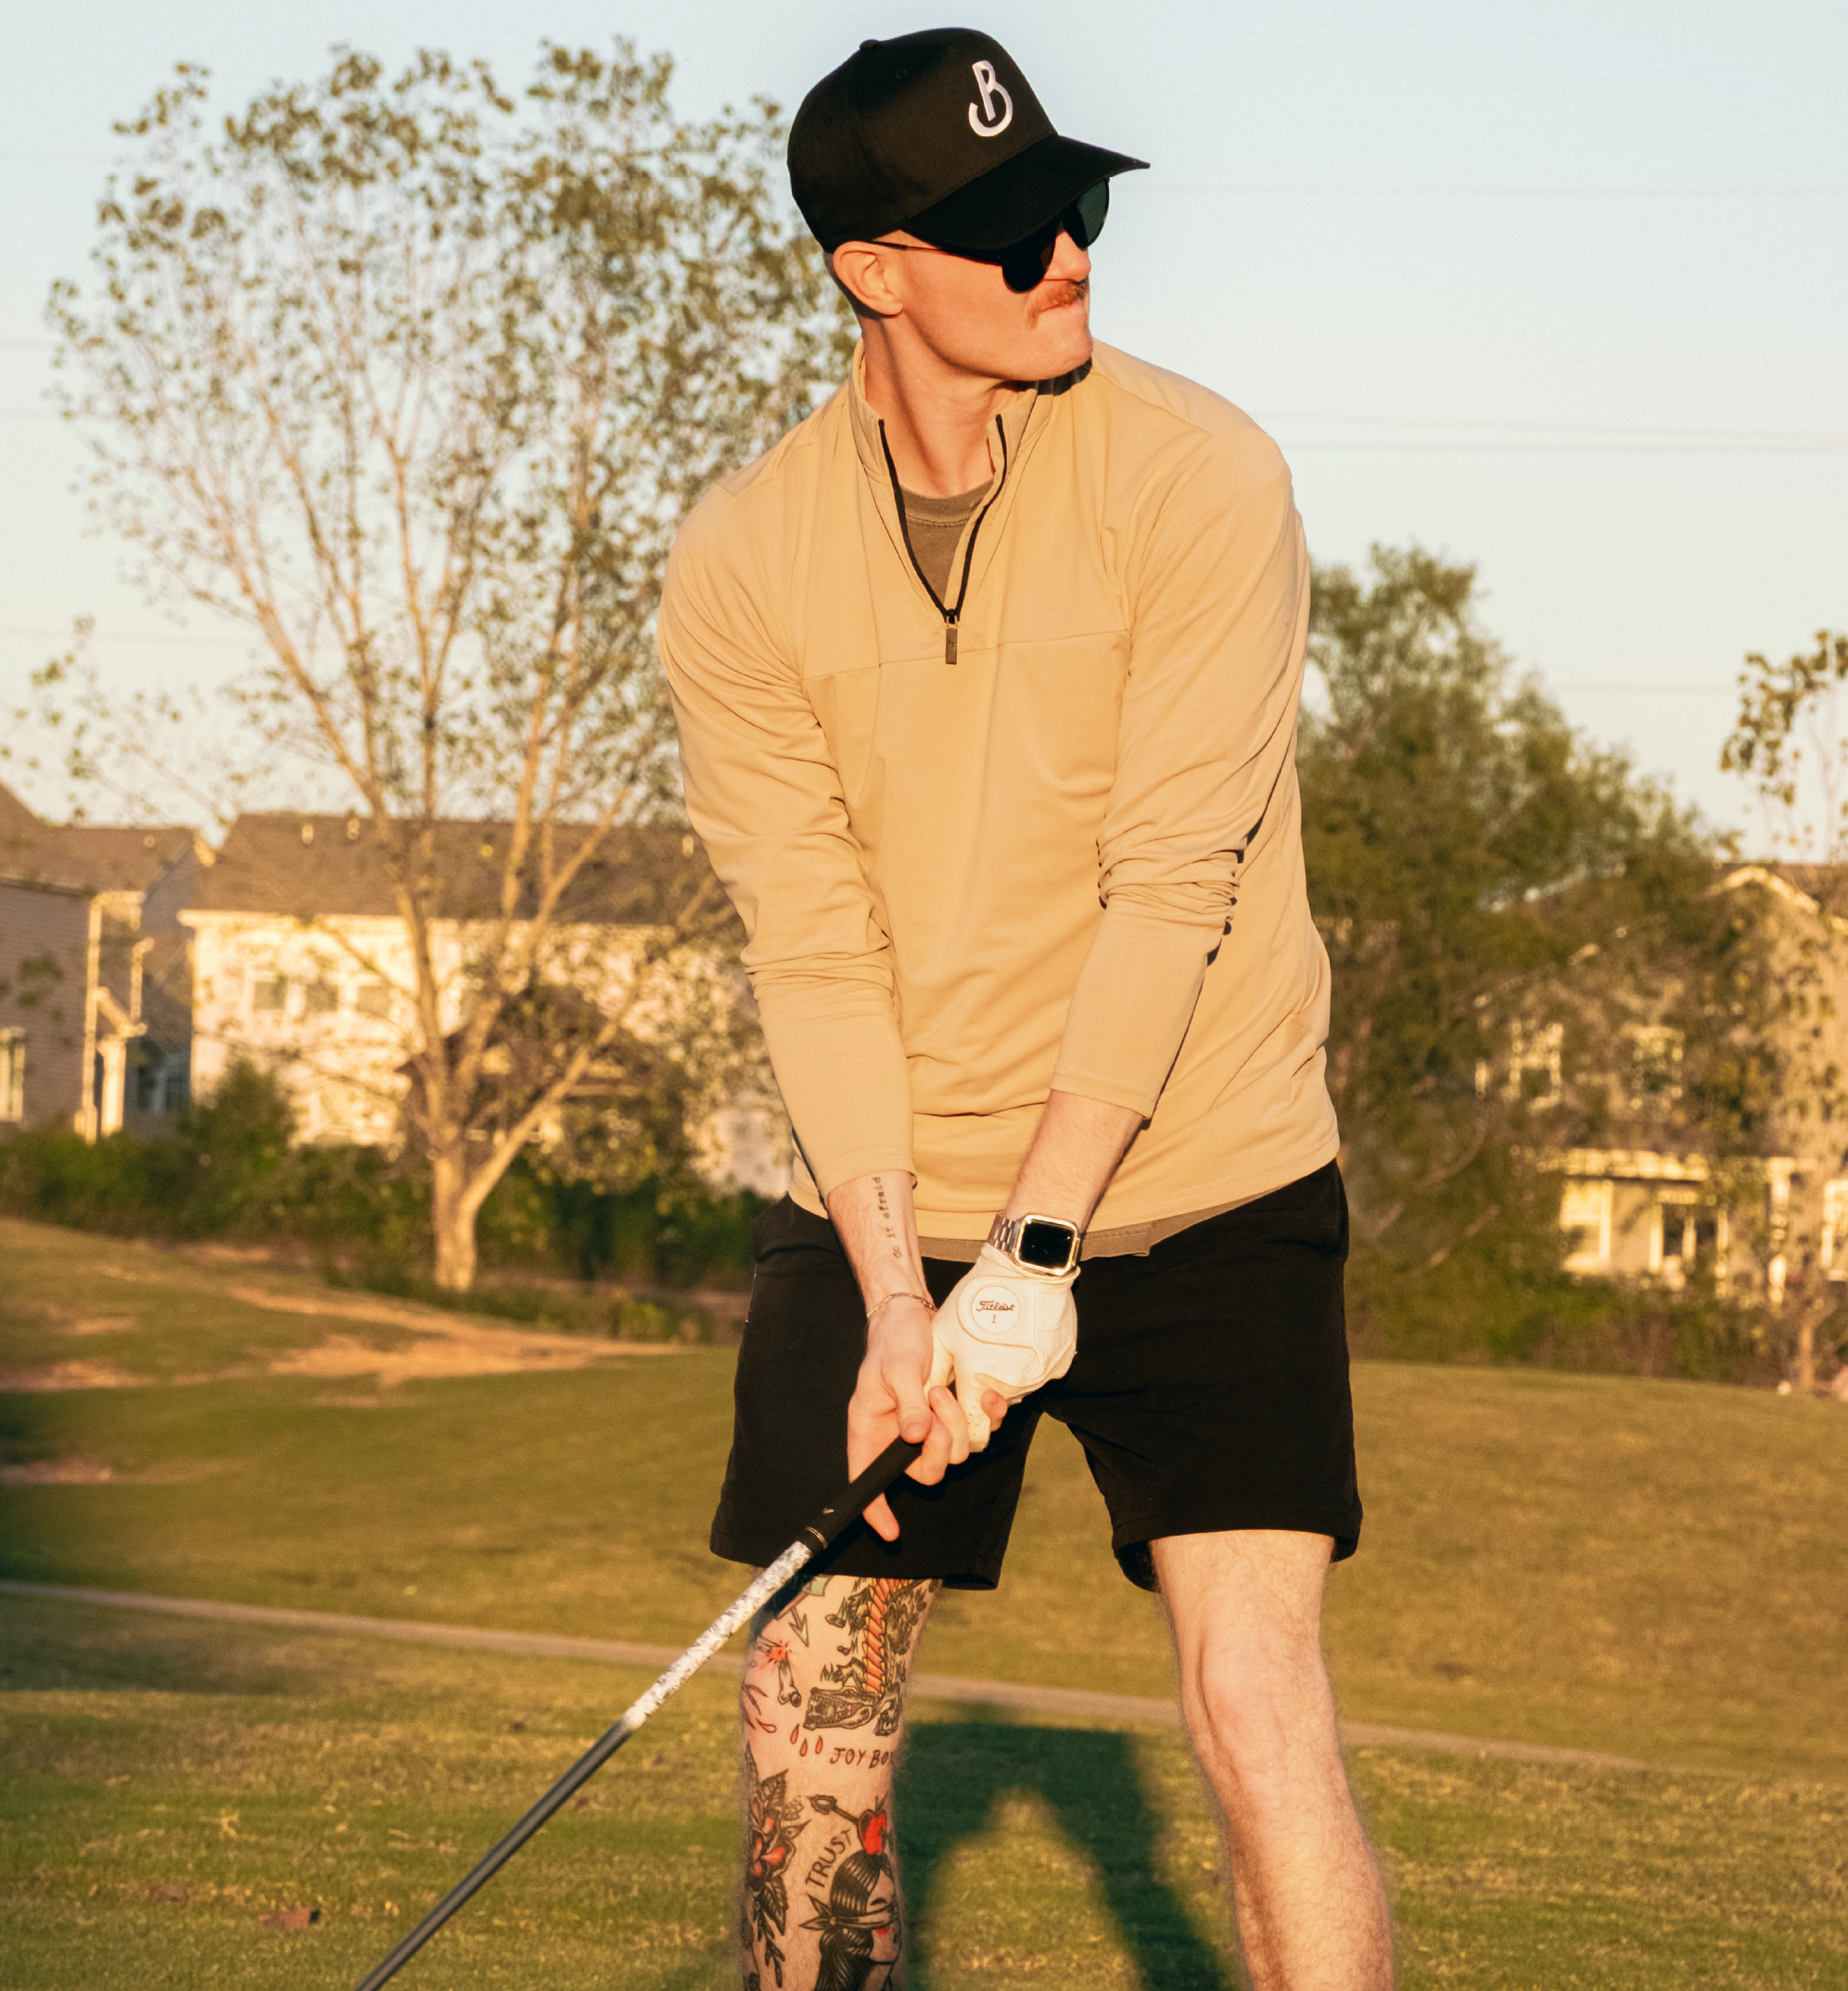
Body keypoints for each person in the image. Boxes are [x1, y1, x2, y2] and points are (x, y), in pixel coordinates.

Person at [660, 27, 1392, 1990]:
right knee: (810, 1723)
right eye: (1003, 228)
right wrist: (908, 1294)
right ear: (868, 267)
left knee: (1256, 1711)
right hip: (895, 1188)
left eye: (1069, 201)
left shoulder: (1199, 475)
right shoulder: (739, 563)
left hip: (1208, 1171)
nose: (1064, 249)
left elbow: (1176, 882)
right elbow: (811, 945)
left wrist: (1038, 1249)